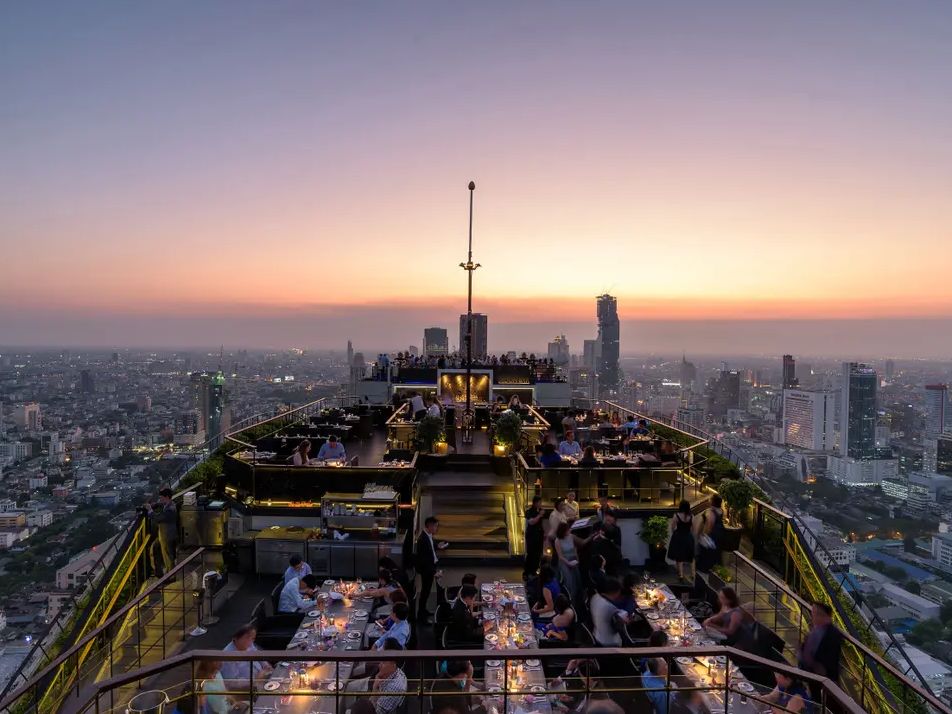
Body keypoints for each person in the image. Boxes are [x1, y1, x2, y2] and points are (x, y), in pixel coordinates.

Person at [344, 639, 408, 714]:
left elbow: (376, 711)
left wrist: (374, 689)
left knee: (350, 703)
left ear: (394, 665)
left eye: (383, 662)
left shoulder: (394, 689)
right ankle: (347, 709)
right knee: (350, 686)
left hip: (374, 699)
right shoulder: (393, 671)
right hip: (376, 685)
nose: (379, 664)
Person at [798, 601, 842, 696]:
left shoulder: (833, 634)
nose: (813, 616)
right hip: (810, 674)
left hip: (822, 678)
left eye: (816, 614)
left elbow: (831, 660)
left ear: (825, 616)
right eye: (813, 613)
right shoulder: (815, 630)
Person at [415, 516, 446, 622]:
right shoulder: (422, 540)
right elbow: (424, 560)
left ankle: (423, 610)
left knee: (427, 591)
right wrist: (434, 573)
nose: (436, 529)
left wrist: (438, 546)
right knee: (425, 592)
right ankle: (421, 616)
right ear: (429, 526)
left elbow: (431, 547)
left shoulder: (428, 535)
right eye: (435, 526)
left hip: (431, 566)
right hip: (427, 570)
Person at [145, 487, 177, 575]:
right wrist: (154, 504)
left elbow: (158, 518)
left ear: (166, 497)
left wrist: (150, 510)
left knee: (168, 555)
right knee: (162, 552)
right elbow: (160, 504)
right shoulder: (169, 504)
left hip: (167, 535)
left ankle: (171, 575)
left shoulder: (170, 509)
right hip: (165, 534)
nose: (160, 499)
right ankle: (168, 572)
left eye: (161, 497)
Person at [590, 578, 629, 646]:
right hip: (610, 643)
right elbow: (623, 623)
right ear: (617, 592)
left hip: (597, 636)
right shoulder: (610, 607)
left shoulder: (595, 597)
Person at [667, 500, 695, 583]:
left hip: (679, 536)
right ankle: (693, 574)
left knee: (679, 557)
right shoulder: (691, 516)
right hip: (688, 537)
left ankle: (681, 575)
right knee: (691, 556)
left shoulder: (676, 515)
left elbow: (672, 526)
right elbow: (693, 528)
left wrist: (675, 533)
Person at [524, 495, 546, 578]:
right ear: (535, 503)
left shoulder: (540, 511)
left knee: (538, 554)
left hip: (539, 535)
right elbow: (531, 522)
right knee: (531, 554)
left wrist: (544, 533)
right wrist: (539, 515)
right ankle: (527, 572)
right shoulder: (529, 511)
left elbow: (541, 523)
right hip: (531, 535)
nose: (541, 504)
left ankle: (534, 571)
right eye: (539, 502)